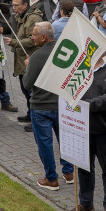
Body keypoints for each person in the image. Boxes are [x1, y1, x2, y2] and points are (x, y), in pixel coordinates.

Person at [22, 21, 74, 189]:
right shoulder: (66, 51)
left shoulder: (37, 56)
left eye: (34, 34)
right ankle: (69, 172)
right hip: (62, 105)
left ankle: (51, 179)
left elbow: (27, 83)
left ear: (44, 37)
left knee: (45, 143)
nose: (32, 37)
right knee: (64, 140)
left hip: (41, 106)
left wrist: (28, 67)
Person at [76, 49, 106, 211]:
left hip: (103, 129)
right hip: (82, 127)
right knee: (84, 167)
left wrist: (86, 105)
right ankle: (86, 203)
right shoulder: (82, 68)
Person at [7, 0, 44, 125]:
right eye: (13, 5)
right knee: (24, 89)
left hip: (30, 58)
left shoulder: (33, 18)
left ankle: (36, 121)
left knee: (31, 91)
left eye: (17, 5)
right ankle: (30, 115)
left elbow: (33, 40)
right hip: (22, 59)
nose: (14, 8)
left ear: (25, 5)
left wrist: (14, 42)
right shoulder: (21, 17)